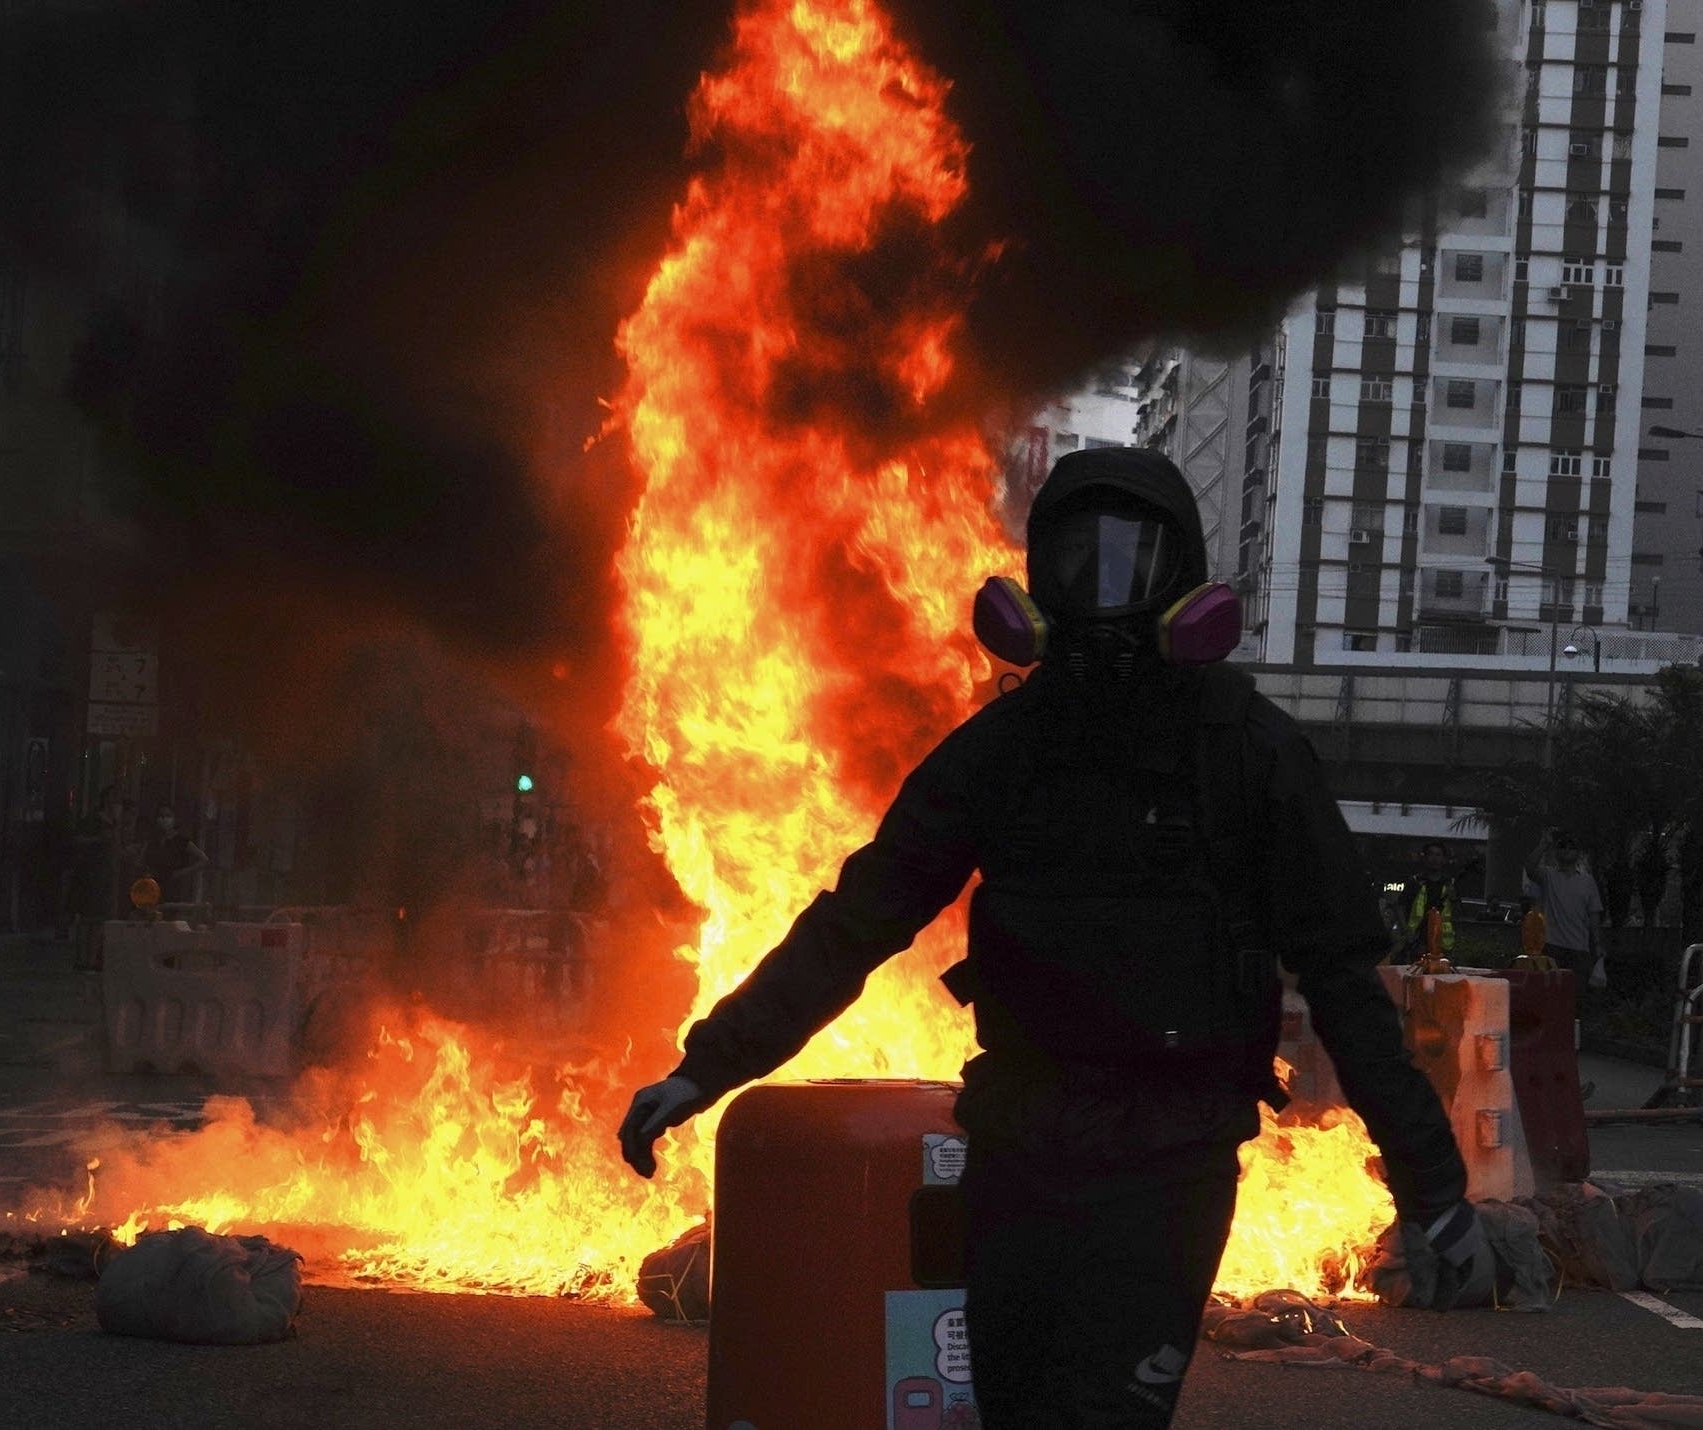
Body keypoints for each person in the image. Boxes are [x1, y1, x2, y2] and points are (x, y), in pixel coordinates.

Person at [617, 448, 1491, 1428]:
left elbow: (1344, 984)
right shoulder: (1002, 751)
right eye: (1078, 560)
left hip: (1170, 1162)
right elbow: (858, 920)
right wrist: (707, 1065)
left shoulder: (1248, 753)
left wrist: (1431, 1190)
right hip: (1018, 1153)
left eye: (1132, 560)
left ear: (1183, 581)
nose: (1103, 594)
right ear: (1036, 586)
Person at [1523, 829, 1606, 993]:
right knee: (1550, 994)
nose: (1567, 849)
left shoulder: (1587, 882)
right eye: (1562, 845)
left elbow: (1594, 915)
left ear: (1578, 853)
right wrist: (1543, 845)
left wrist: (1597, 944)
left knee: (1575, 996)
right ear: (1556, 852)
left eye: (1571, 846)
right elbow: (1530, 868)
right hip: (1552, 947)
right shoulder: (1548, 876)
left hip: (1579, 949)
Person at [1397, 840, 1458, 963]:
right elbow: (1400, 906)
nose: (1434, 859)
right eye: (1431, 854)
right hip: (1417, 940)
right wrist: (1406, 931)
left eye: (1438, 855)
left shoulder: (1449, 884)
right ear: (1424, 858)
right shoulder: (1415, 882)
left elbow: (1456, 912)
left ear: (1444, 859)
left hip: (1442, 943)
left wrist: (1453, 897)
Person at [139, 803, 208, 908]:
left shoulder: (181, 841)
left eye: (167, 816)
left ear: (174, 819)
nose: (164, 819)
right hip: (153, 888)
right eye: (161, 816)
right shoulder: (152, 841)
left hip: (175, 888)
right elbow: (141, 861)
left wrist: (181, 873)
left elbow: (204, 860)